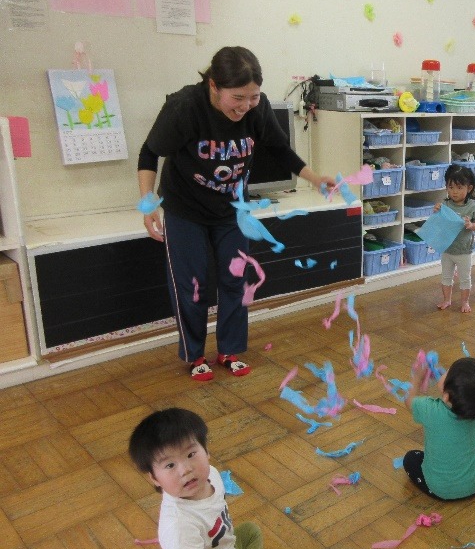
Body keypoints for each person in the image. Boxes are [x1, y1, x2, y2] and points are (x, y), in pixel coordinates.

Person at [137, 46, 335, 381]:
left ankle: (229, 349)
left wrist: (314, 179)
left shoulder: (256, 111)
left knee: (235, 279)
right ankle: (195, 354)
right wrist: (147, 204)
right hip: (185, 209)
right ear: (214, 86)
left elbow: (279, 148)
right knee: (192, 284)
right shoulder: (185, 108)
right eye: (237, 98)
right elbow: (149, 151)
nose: (244, 107)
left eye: (253, 97)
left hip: (231, 210)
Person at [127, 407, 346, 549]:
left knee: (250, 531)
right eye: (170, 465)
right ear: (154, 478)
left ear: (206, 451)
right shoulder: (178, 524)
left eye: (191, 454)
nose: (185, 469)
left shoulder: (212, 475)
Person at [402, 357, 475, 500]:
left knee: (410, 459)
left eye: (447, 372)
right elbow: (463, 391)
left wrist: (417, 378)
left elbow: (409, 400)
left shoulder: (430, 409)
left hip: (440, 490)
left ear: (446, 396)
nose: (444, 372)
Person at [433, 165, 475, 313]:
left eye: (459, 187)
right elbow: (438, 224)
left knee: (465, 278)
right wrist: (437, 212)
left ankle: (465, 302)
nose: (454, 192)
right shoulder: (445, 204)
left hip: (464, 250)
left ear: (469, 188)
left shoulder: (472, 206)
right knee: (446, 276)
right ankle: (447, 300)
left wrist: (471, 225)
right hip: (447, 249)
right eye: (450, 187)